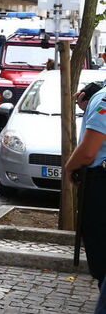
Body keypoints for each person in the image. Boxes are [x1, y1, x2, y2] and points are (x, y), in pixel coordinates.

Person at [65, 80, 106, 298]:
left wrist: (70, 167)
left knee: (100, 250)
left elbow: (89, 151)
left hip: (100, 182)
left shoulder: (103, 98)